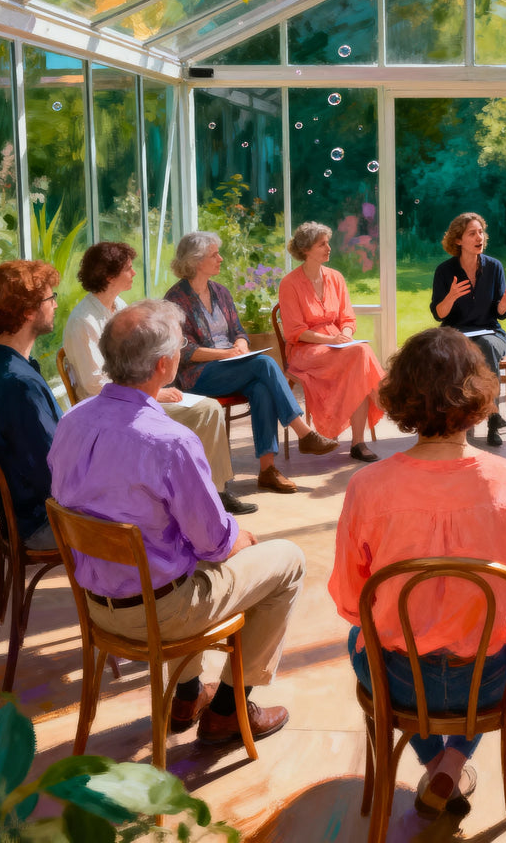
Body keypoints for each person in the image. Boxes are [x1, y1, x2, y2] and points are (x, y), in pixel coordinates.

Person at [329, 328, 506, 819]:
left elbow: (351, 603)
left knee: (359, 635)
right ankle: (451, 760)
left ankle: (439, 761)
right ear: (478, 393)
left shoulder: (366, 488)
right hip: (493, 680)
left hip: (399, 682)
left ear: (401, 394)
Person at [49, 300, 304, 744]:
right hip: (159, 613)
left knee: (172, 551)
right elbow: (214, 544)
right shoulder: (170, 441)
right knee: (286, 560)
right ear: (165, 364)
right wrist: (239, 537)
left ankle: (186, 694)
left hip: (95, 604)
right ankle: (228, 708)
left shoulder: (70, 422)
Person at [62, 242, 255, 515]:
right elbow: (94, 383)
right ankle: (195, 494)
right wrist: (153, 393)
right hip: (110, 407)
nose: (133, 273)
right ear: (109, 276)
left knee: (208, 409)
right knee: (206, 410)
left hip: (134, 395)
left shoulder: (118, 306)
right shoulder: (84, 321)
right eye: (128, 269)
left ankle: (215, 490)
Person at [164, 231, 337, 494]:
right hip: (199, 374)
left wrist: (241, 345)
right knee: (264, 365)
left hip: (232, 364)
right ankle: (303, 433)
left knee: (261, 388)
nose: (221, 259)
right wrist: (224, 354)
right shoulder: (176, 299)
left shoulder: (220, 292)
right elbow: (183, 349)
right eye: (214, 255)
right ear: (197, 261)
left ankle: (267, 470)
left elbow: (239, 331)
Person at [0, 261, 62, 549]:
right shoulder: (18, 385)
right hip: (41, 522)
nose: (55, 305)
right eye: (50, 298)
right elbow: (53, 473)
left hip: (21, 516)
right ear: (28, 310)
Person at [278, 222, 384, 463]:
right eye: (322, 244)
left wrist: (344, 334)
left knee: (359, 360)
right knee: (361, 353)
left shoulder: (336, 277)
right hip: (306, 350)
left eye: (328, 242)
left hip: (339, 346)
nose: (329, 248)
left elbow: (347, 318)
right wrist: (332, 339)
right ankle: (384, 397)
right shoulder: (290, 283)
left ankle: (358, 442)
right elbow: (295, 331)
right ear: (306, 250)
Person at [430, 212, 506, 447]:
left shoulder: (494, 267)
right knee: (458, 349)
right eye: (472, 233)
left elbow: (499, 312)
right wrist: (450, 296)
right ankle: (461, 418)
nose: (479, 237)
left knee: (485, 345)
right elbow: (439, 313)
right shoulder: (444, 271)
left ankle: (492, 419)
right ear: (458, 240)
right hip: (456, 333)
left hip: (491, 332)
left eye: (481, 232)